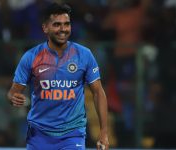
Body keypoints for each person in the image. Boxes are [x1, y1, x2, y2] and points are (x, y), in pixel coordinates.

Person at [7, 2, 109, 150]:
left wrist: (104, 132)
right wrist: (13, 97)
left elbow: (98, 92)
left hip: (72, 134)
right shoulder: (31, 57)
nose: (63, 29)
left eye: (66, 24)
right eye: (57, 25)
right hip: (38, 135)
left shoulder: (84, 55)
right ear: (45, 28)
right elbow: (13, 91)